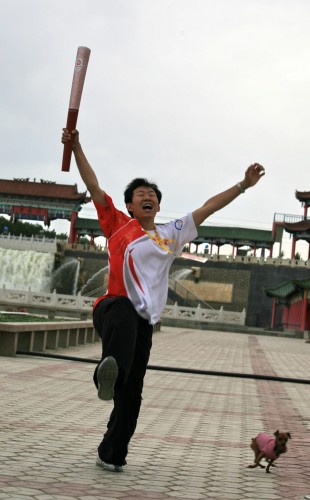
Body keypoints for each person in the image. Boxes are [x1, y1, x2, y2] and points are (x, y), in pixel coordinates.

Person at [61, 128, 265, 472]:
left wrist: (242, 185)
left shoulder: (171, 234)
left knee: (133, 394)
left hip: (143, 325)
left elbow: (207, 208)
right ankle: (105, 375)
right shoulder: (118, 225)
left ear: (158, 203)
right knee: (123, 313)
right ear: (130, 204)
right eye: (141, 193)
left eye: (152, 193)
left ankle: (111, 453)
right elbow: (94, 186)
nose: (148, 196)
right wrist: (76, 146)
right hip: (112, 309)